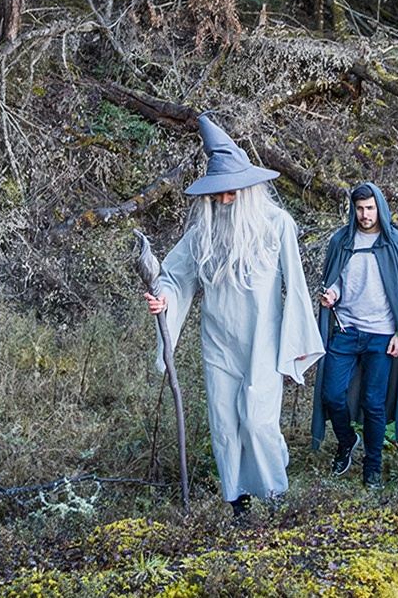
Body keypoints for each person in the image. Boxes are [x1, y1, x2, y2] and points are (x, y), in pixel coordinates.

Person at [144, 113, 324, 516]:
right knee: (226, 424)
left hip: (263, 340)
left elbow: (294, 286)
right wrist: (165, 301)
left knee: (258, 424)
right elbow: (174, 276)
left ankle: (275, 496)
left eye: (231, 191)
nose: (224, 199)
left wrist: (296, 344)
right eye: (217, 193)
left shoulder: (278, 225)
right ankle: (237, 503)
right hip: (219, 343)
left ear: (247, 187)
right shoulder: (202, 234)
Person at [311, 183, 398, 488]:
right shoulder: (342, 241)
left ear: (379, 207)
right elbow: (338, 280)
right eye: (359, 208)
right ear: (352, 209)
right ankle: (347, 441)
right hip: (346, 329)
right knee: (331, 394)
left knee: (374, 403)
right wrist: (331, 293)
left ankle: (373, 467)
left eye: (370, 208)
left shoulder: (395, 244)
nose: (364, 214)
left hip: (381, 335)